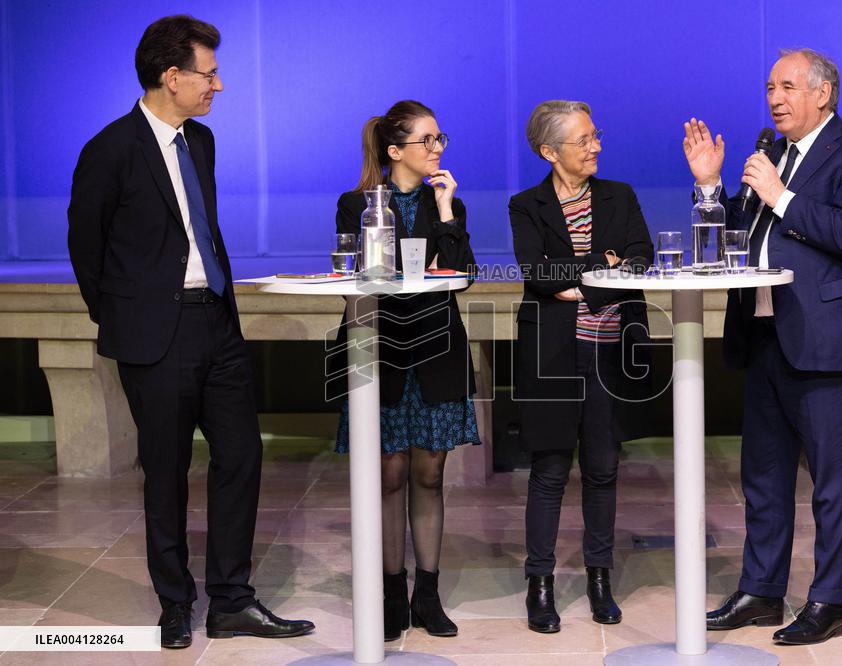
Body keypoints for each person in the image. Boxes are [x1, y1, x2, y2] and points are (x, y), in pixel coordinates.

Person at [67, 15, 314, 649]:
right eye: (209, 74)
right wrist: (126, 315)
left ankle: (232, 599)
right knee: (168, 470)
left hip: (216, 322)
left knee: (241, 455)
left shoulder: (199, 142)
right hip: (157, 333)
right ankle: (175, 602)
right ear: (170, 76)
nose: (219, 86)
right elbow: (86, 250)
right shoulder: (110, 148)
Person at [682, 48, 842, 645]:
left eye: (788, 86)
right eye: (770, 86)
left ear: (823, 93)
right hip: (764, 335)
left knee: (830, 479)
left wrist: (781, 196)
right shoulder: (770, 152)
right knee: (763, 476)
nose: (775, 97)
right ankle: (762, 590)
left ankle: (829, 601)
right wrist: (709, 186)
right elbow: (732, 244)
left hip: (822, 339)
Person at [330, 100, 479, 642]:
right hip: (380, 349)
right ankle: (391, 592)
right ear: (395, 151)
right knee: (389, 473)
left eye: (441, 139)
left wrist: (445, 210)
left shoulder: (448, 205)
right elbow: (355, 273)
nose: (437, 149)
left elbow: (462, 275)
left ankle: (428, 593)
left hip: (436, 350)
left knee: (429, 473)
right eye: (427, 140)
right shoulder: (357, 205)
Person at [509, 100, 654, 633]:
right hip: (552, 354)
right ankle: (540, 584)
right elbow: (537, 271)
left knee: (603, 469)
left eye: (596, 135)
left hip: (611, 351)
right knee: (549, 471)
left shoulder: (620, 196)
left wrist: (580, 278)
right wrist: (603, 265)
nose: (596, 146)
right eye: (584, 139)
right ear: (550, 152)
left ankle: (599, 578)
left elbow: (640, 257)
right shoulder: (526, 205)